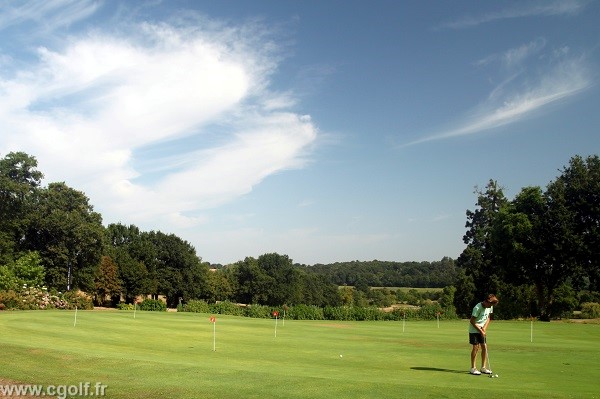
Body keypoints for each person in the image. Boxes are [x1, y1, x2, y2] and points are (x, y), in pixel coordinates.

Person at [468, 294, 499, 375]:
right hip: (474, 329)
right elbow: (472, 321)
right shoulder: (477, 308)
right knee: (476, 347)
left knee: (484, 347)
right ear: (486, 301)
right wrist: (480, 330)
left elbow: (489, 318)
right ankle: (473, 368)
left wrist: (484, 328)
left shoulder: (490, 306)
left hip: (482, 328)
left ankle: (483, 367)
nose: (491, 306)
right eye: (491, 304)